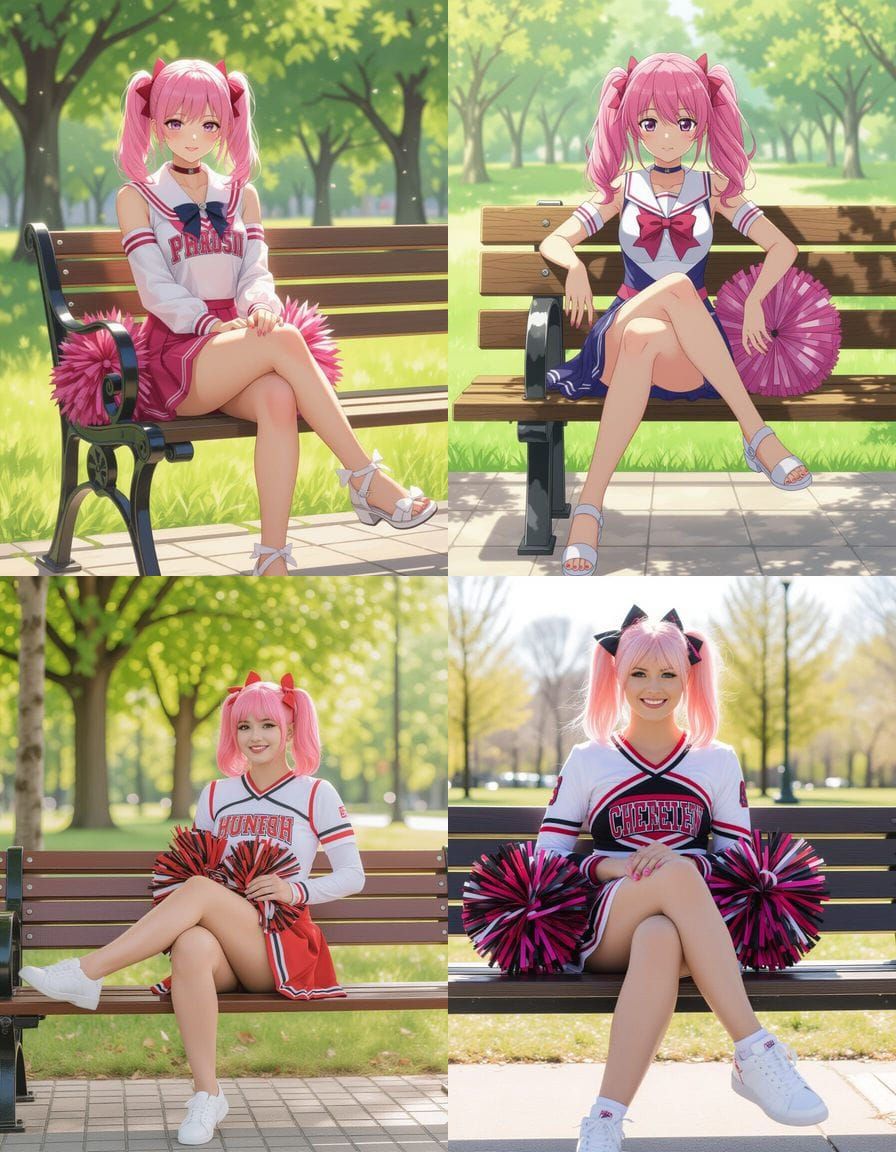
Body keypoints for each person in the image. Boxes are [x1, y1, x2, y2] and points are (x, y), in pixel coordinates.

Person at [115, 57, 436, 575]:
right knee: (285, 341)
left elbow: (255, 272)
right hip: (180, 353)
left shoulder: (242, 194)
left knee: (280, 396)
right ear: (154, 122)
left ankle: (272, 556)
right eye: (176, 122)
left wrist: (260, 308)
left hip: (241, 340)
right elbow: (154, 288)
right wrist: (212, 325)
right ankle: (365, 477)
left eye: (208, 123)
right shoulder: (137, 198)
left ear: (226, 125)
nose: (192, 136)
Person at [21, 673, 364, 1147]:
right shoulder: (216, 795)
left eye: (268, 724)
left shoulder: (314, 793)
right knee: (190, 944)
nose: (256, 737)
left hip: (276, 945)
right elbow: (197, 866)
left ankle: (87, 972)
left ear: (290, 728)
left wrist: (294, 890)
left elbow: (354, 876)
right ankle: (207, 1095)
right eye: (244, 727)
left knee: (201, 891)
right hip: (221, 943)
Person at [535, 607, 827, 1151]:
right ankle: (754, 1050)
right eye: (639, 673)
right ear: (616, 678)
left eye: (668, 674)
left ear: (689, 678)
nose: (653, 687)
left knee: (662, 934)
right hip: (606, 926)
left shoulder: (716, 760)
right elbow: (546, 860)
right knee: (668, 880)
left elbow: (739, 862)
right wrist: (616, 865)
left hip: (689, 930)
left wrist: (679, 867)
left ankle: (603, 1119)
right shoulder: (588, 758)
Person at [539, 52, 810, 577]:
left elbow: (782, 248)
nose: (666, 136)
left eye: (683, 122)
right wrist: (572, 266)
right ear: (633, 126)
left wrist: (756, 300)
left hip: (682, 349)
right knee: (675, 289)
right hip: (616, 334)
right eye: (650, 122)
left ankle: (588, 510)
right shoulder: (622, 192)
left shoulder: (713, 191)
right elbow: (555, 238)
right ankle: (758, 436)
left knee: (655, 323)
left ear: (702, 126)